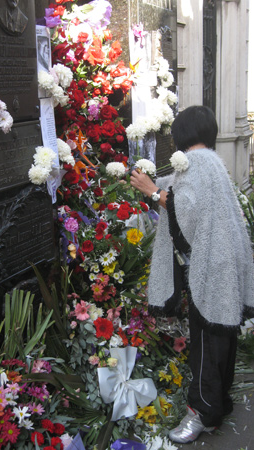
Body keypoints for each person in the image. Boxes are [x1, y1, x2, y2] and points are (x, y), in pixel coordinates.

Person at [130, 105, 254, 444]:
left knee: (205, 347)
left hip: (209, 275)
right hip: (225, 267)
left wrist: (150, 191)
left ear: (182, 135)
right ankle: (218, 408)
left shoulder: (196, 164)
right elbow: (188, 198)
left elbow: (185, 212)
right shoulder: (212, 162)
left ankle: (200, 414)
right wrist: (159, 186)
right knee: (222, 343)